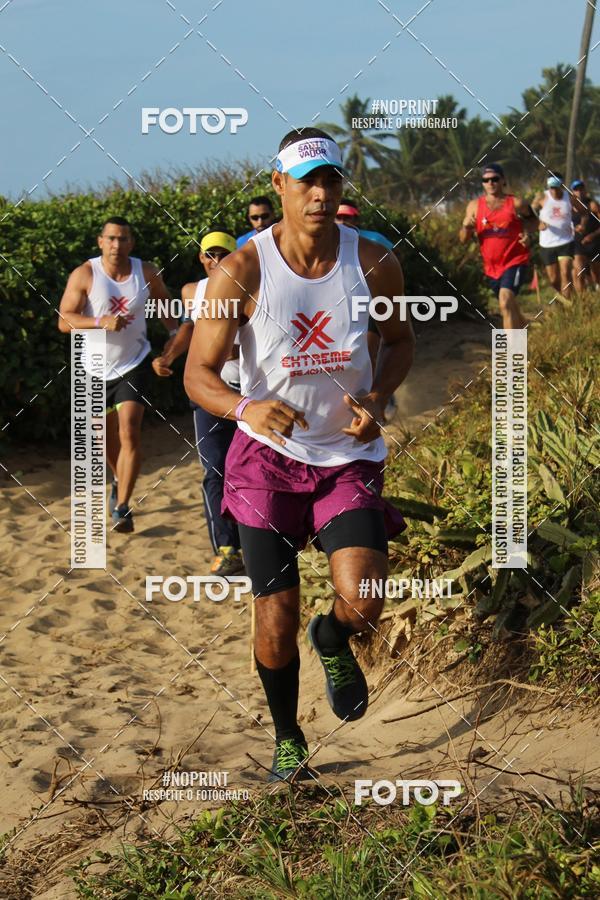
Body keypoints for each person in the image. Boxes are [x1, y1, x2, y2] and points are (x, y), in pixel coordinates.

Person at [184, 127, 415, 782]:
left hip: (345, 455)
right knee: (274, 619)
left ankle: (334, 636)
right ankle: (289, 738)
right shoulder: (243, 269)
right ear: (279, 186)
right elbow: (198, 375)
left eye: (331, 180)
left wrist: (379, 392)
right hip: (266, 460)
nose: (319, 193)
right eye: (306, 180)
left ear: (341, 187)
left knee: (364, 593)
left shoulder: (374, 260)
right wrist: (243, 407)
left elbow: (398, 341)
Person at [58, 216, 178, 532]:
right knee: (105, 439)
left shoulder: (146, 272)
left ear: (131, 243)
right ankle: (117, 478)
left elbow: (165, 306)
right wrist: (101, 322)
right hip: (93, 368)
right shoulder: (85, 274)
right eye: (111, 238)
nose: (117, 245)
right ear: (101, 241)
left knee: (130, 432)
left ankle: (123, 507)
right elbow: (63, 321)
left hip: (133, 362)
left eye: (123, 239)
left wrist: (174, 335)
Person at [152, 230, 244, 576]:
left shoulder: (254, 285)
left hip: (249, 392)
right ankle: (226, 548)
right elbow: (188, 329)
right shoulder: (194, 292)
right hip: (210, 392)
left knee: (253, 470)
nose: (215, 261)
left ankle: (263, 541)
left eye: (222, 254)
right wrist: (169, 356)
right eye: (209, 255)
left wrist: (225, 351)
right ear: (201, 259)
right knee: (214, 471)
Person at [460, 163, 536, 328]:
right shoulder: (474, 206)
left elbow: (533, 221)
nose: (490, 183)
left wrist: (529, 235)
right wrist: (465, 226)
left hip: (515, 260)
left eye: (495, 179)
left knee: (505, 299)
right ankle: (524, 327)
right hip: (492, 267)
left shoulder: (516, 203)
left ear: (503, 181)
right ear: (482, 183)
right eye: (486, 180)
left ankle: (511, 352)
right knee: (509, 304)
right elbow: (463, 239)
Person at [532, 174, 575, 300]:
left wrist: (581, 224)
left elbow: (584, 212)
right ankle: (562, 299)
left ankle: (569, 305)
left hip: (566, 242)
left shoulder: (570, 197)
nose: (553, 191)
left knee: (566, 273)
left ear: (561, 186)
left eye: (556, 187)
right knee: (554, 279)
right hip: (547, 244)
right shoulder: (542, 197)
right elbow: (528, 212)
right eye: (551, 187)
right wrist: (537, 223)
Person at [570, 179, 600, 292]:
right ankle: (582, 302)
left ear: (585, 190)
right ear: (573, 192)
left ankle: (596, 289)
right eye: (576, 189)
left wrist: (592, 235)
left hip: (594, 243)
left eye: (581, 188)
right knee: (579, 272)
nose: (579, 191)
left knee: (596, 274)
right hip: (578, 244)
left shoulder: (593, 205)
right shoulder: (569, 207)